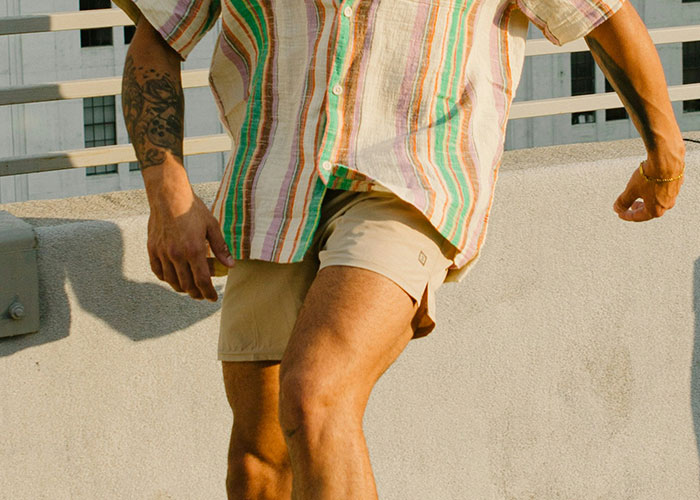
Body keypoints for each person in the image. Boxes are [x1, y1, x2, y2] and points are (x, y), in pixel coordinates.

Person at [114, 0, 685, 497]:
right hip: (272, 190)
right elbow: (158, 36)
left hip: (409, 180)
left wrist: (665, 153)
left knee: (317, 393)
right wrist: (169, 198)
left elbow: (603, 15)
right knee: (258, 466)